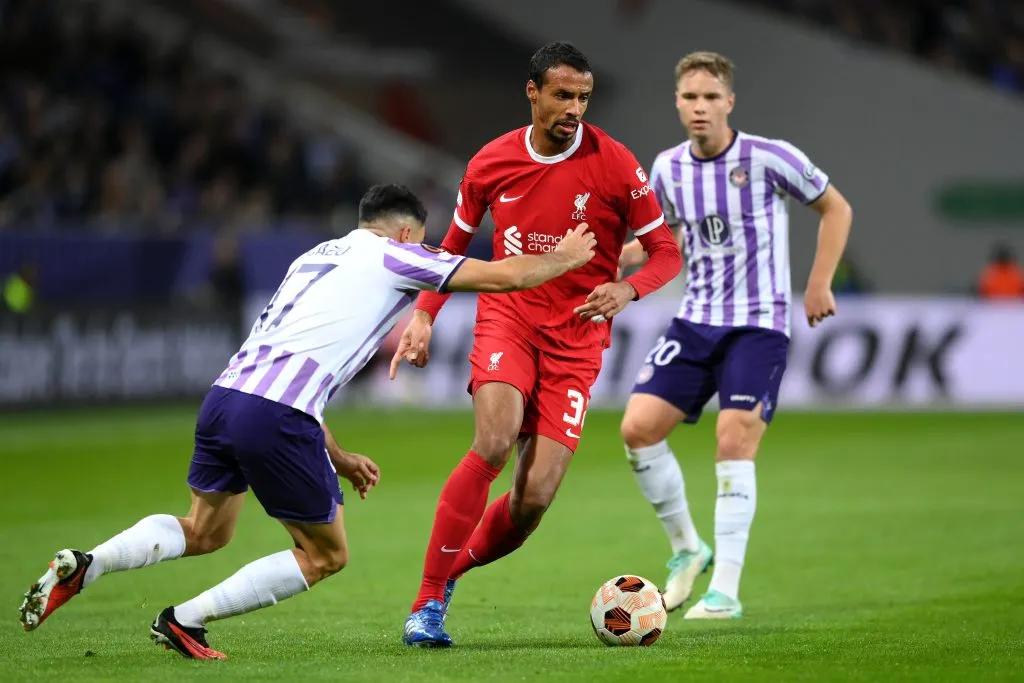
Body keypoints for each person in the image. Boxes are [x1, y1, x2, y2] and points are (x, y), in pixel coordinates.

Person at [17, 183, 598, 659]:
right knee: (325, 555)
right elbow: (505, 277)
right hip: (277, 414)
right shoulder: (397, 254)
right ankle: (184, 620)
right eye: (421, 243)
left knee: (205, 529)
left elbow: (293, 362)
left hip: (225, 399)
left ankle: (90, 564)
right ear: (405, 233)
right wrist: (567, 258)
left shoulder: (312, 256)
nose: (424, 256)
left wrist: (339, 456)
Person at [390, 41, 683, 647]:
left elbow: (666, 253)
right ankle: (426, 604)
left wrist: (627, 292)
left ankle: (449, 576)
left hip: (578, 338)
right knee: (494, 441)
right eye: (562, 95)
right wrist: (423, 316)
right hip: (510, 319)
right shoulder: (491, 163)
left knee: (532, 501)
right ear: (533, 92)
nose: (575, 108)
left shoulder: (616, 164)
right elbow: (452, 250)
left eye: (583, 97)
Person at [617, 51, 854, 619]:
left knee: (733, 439)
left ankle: (724, 589)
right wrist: (606, 261)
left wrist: (818, 283)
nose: (700, 107)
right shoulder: (668, 168)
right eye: (689, 98)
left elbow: (836, 208)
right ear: (677, 103)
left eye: (710, 97)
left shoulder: (770, 158)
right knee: (637, 429)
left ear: (729, 102)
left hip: (758, 323)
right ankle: (687, 548)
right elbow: (660, 238)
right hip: (695, 321)